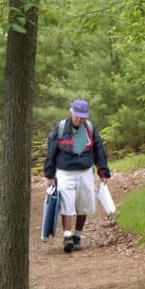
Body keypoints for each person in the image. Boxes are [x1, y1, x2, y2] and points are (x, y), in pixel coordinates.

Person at [43, 99, 111, 253]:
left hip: (85, 172)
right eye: (77, 116)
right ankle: (67, 236)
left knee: (84, 203)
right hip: (64, 171)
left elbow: (99, 150)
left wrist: (103, 171)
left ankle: (78, 236)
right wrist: (49, 174)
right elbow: (51, 152)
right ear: (71, 112)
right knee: (66, 201)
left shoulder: (90, 129)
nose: (79, 119)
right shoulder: (60, 128)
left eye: (82, 116)